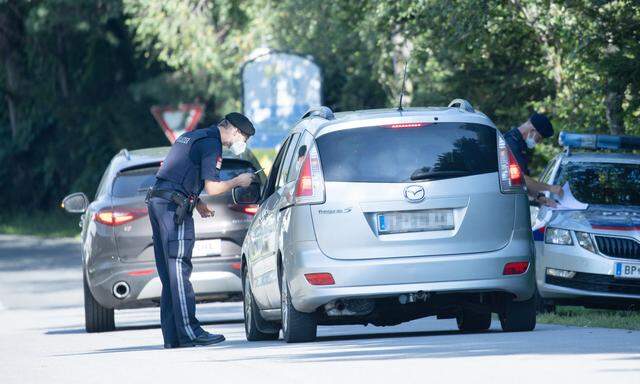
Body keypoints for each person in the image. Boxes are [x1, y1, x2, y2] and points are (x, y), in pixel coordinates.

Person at [146, 112, 255, 348]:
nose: (243, 143)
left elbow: (179, 175)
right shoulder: (212, 144)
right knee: (178, 269)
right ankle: (191, 332)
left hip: (160, 202)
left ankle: (173, 336)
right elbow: (213, 187)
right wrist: (238, 180)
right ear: (235, 131)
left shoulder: (194, 136)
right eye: (244, 137)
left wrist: (198, 203)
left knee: (169, 274)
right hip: (172, 208)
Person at [503, 112, 563, 207]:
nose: (538, 142)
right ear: (532, 131)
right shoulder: (511, 143)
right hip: (505, 202)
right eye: (538, 139)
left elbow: (523, 182)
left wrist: (539, 197)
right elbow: (520, 178)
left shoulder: (520, 144)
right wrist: (550, 188)